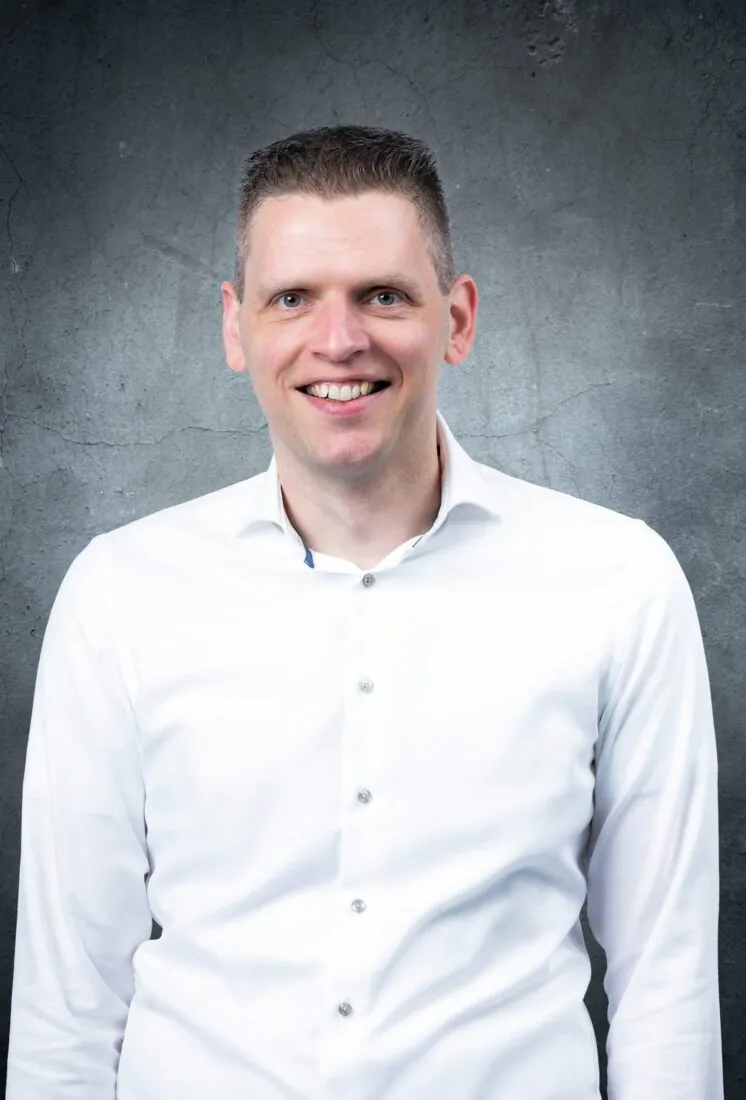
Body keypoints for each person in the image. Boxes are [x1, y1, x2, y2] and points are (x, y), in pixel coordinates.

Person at [6, 125, 722, 1099]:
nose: (338, 339)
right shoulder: (120, 594)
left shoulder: (618, 582)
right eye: (291, 297)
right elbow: (69, 1006)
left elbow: (665, 986)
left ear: (456, 319)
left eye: (382, 295)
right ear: (234, 327)